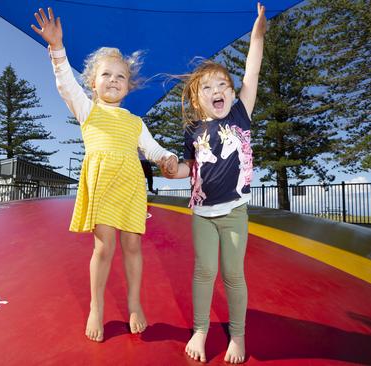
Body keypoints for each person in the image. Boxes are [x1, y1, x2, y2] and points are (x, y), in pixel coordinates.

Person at [32, 8, 178, 342]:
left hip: (129, 188)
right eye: (106, 75)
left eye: (120, 76)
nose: (113, 80)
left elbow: (153, 150)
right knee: (104, 247)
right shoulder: (88, 110)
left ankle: (134, 304)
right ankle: (96, 306)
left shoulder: (135, 122)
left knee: (132, 246)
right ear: (93, 83)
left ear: (130, 85)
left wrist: (167, 158)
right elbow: (65, 84)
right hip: (102, 185)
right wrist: (57, 49)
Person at [159, 3, 266, 363]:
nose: (218, 89)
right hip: (203, 213)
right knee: (204, 272)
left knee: (233, 274)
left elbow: (252, 71)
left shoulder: (240, 113)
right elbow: (191, 167)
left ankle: (238, 335)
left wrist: (257, 36)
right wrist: (171, 171)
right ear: (196, 97)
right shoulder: (193, 130)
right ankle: (201, 329)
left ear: (233, 94)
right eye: (209, 87)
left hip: (234, 211)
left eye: (224, 84)